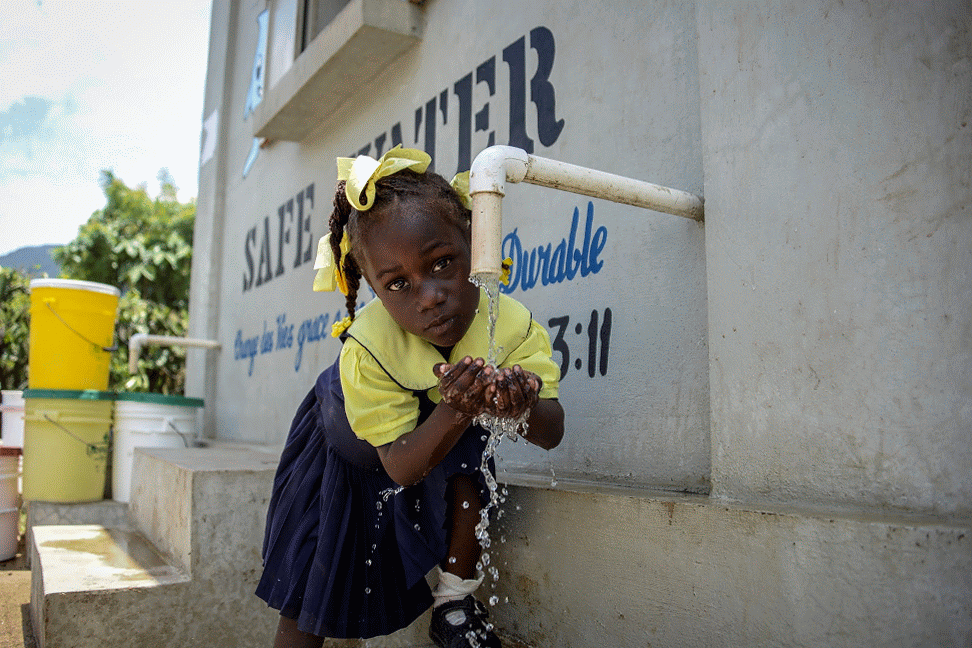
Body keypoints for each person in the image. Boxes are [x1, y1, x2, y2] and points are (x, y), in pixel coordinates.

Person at [256, 145, 565, 648]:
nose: (428, 295)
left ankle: (455, 602)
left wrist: (519, 401)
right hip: (343, 448)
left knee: (470, 454)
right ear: (374, 288)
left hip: (429, 432)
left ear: (476, 244)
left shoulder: (508, 326)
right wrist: (461, 406)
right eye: (397, 283)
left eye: (443, 263)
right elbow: (400, 466)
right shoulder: (368, 348)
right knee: (313, 592)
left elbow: (551, 432)